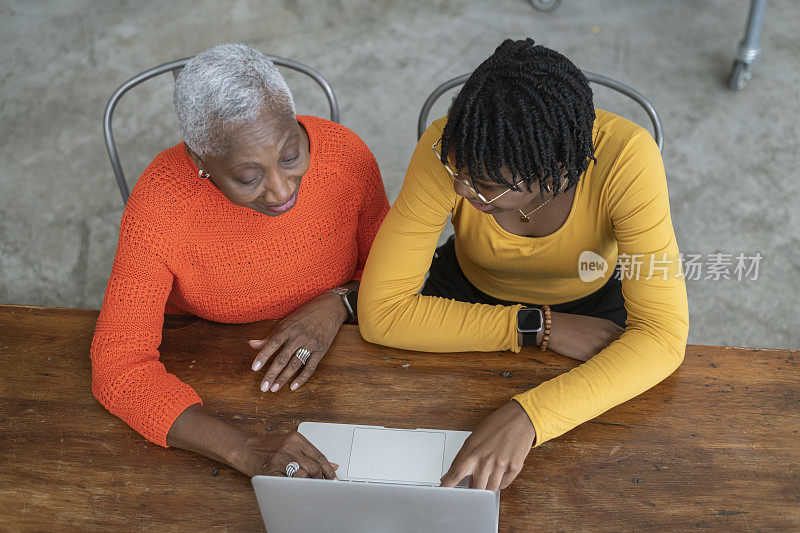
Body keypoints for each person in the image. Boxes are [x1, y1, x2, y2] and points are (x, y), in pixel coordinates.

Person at [358, 38, 689, 491]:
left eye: (489, 187)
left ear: (557, 171)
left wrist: (528, 415)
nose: (462, 191)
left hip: (592, 307)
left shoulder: (628, 160)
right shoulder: (450, 148)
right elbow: (383, 314)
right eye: (458, 171)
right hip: (465, 292)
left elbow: (662, 336)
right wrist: (533, 326)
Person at [91, 43, 389, 479]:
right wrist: (243, 449)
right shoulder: (160, 204)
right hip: (211, 363)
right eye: (249, 178)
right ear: (200, 161)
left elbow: (393, 273)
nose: (281, 190)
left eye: (291, 155)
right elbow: (117, 366)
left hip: (347, 366)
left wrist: (339, 303)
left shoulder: (346, 156)